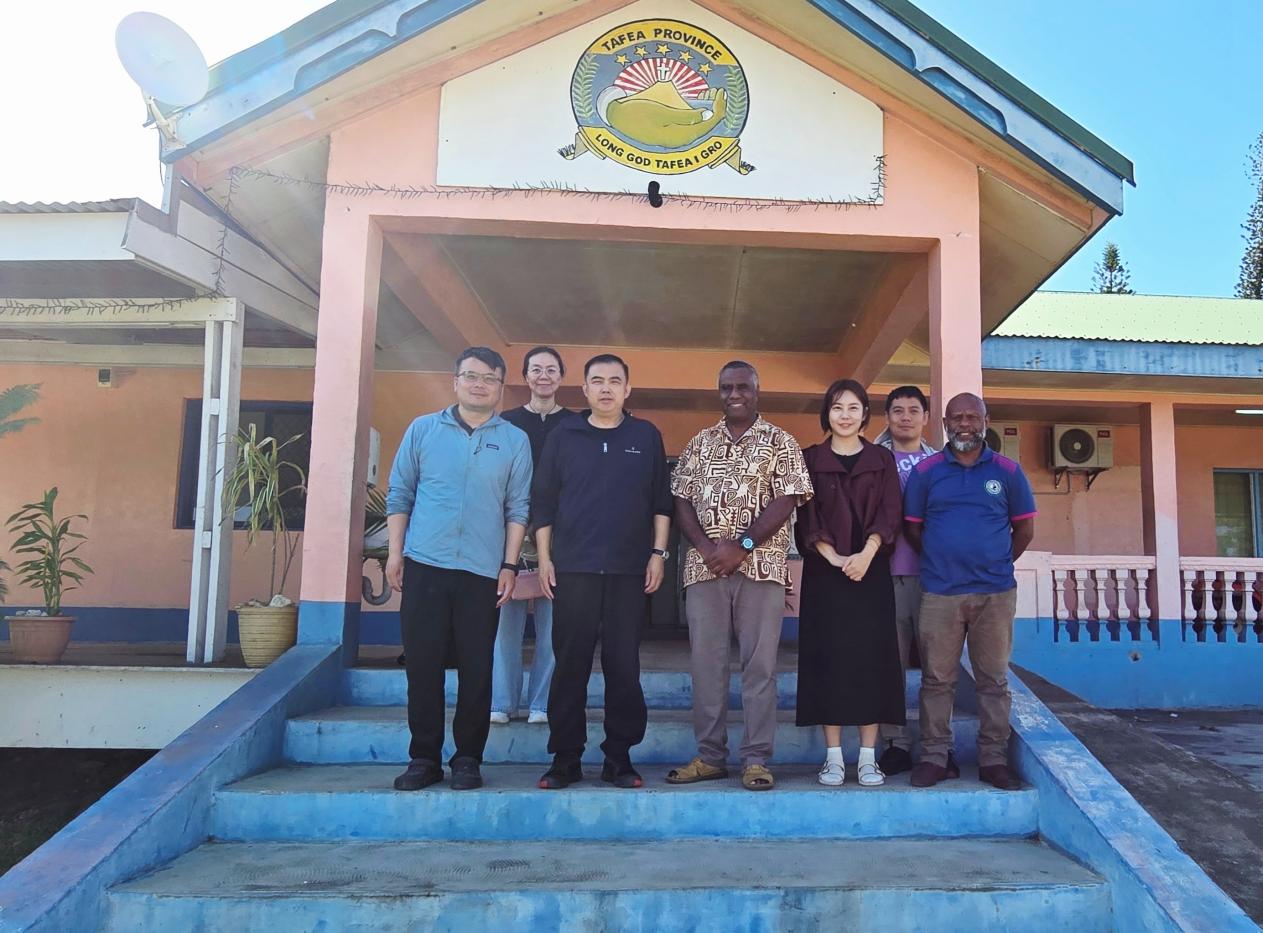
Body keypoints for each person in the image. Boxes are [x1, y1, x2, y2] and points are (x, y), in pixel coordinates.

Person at [385, 347, 532, 792]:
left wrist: (509, 564)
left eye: (489, 378)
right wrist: (396, 553)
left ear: (500, 387)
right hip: (425, 564)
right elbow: (400, 493)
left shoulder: (514, 441)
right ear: (455, 381)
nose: (479, 384)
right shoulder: (423, 430)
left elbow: (518, 507)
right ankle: (423, 758)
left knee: (476, 668)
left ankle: (468, 758)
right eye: (471, 376)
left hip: (482, 571)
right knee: (422, 665)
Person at [667, 361, 813, 792]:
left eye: (743, 387)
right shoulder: (699, 443)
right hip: (705, 569)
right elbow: (681, 501)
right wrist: (708, 548)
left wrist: (742, 545)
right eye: (726, 387)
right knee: (706, 664)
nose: (734, 394)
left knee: (760, 666)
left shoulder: (780, 441)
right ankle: (710, 756)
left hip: (762, 569)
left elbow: (787, 500)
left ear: (756, 390)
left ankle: (756, 759)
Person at [532, 354, 673, 790]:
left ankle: (619, 757)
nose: (606, 388)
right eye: (597, 381)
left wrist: (657, 554)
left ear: (628, 389)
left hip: (629, 572)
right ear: (585, 389)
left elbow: (661, 501)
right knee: (569, 665)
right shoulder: (564, 435)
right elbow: (544, 502)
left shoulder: (645, 436)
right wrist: (545, 559)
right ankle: (565, 758)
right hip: (572, 569)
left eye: (615, 381)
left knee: (624, 666)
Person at [903, 392, 1036, 791]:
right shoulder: (926, 472)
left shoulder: (1008, 472)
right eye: (957, 418)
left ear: (985, 421)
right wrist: (943, 561)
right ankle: (935, 757)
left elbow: (1024, 530)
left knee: (993, 681)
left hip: (994, 593)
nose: (965, 424)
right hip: (940, 593)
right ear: (945, 424)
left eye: (972, 417)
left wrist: (995, 562)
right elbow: (913, 528)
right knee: (936, 680)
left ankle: (993, 760)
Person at [795, 379, 905, 787]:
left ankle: (868, 758)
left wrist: (866, 554)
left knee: (870, 661)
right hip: (825, 576)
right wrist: (834, 557)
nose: (845, 415)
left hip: (870, 574)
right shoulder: (810, 459)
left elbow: (890, 512)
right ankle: (834, 758)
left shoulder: (881, 459)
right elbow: (806, 516)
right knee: (829, 661)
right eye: (837, 407)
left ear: (864, 415)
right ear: (827, 413)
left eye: (853, 408)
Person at [490, 347, 572, 726]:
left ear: (561, 377)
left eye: (551, 370)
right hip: (509, 534)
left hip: (561, 536)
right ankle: (502, 702)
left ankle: (542, 703)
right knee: (504, 623)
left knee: (554, 627)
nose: (543, 376)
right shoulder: (505, 422)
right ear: (525, 376)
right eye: (536, 369)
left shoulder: (575, 425)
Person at [872, 385, 944, 777]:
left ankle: (939, 747)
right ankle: (896, 743)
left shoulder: (941, 463)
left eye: (913, 410)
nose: (905, 417)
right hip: (884, 577)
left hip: (934, 579)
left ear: (925, 417)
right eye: (897, 410)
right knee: (890, 667)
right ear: (887, 416)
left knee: (938, 669)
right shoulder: (872, 460)